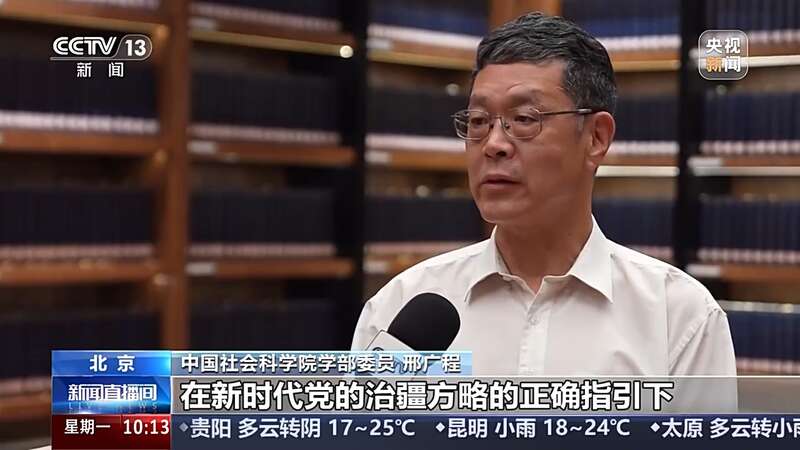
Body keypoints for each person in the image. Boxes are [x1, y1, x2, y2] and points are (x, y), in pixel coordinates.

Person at [352, 12, 737, 380]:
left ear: (596, 138)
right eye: (479, 121)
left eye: (524, 119)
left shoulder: (679, 318)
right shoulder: (398, 309)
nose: (494, 144)